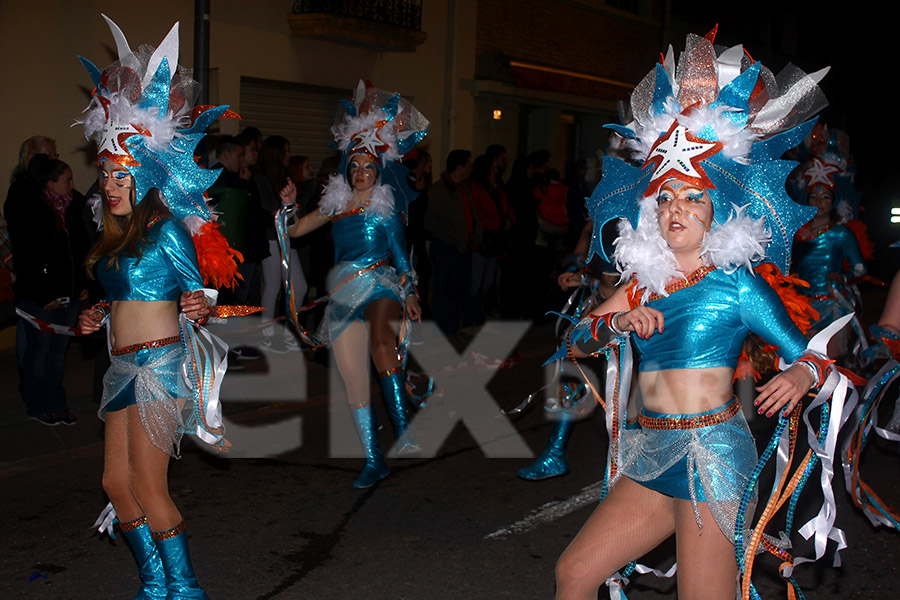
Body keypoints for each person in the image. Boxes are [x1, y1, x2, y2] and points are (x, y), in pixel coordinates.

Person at [552, 30, 844, 599]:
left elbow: (820, 356)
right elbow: (576, 344)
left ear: (719, 210)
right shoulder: (641, 284)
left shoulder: (739, 284)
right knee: (574, 574)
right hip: (650, 452)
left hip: (713, 461)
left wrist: (802, 372)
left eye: (691, 197)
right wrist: (615, 323)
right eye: (664, 198)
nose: (675, 209)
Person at [75, 16, 239, 598]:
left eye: (123, 175)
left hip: (160, 368)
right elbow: (118, 298)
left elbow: (206, 293)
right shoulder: (109, 239)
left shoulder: (166, 229)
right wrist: (94, 317)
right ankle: (155, 583)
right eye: (106, 175)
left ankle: (186, 588)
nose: (112, 185)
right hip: (119, 368)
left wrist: (201, 303)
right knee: (115, 483)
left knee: (148, 484)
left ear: (142, 174)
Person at [280, 81, 428, 487]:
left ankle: (403, 429)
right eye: (356, 167)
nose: (362, 173)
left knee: (381, 341)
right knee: (352, 377)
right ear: (347, 170)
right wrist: (290, 205)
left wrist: (410, 290)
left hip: (381, 283)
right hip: (344, 291)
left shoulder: (386, 208)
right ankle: (373, 459)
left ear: (379, 172)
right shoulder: (335, 205)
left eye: (369, 167)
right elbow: (293, 231)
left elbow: (401, 256)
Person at [5, 154, 85, 425]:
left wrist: (83, 285)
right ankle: (37, 405)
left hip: (70, 296)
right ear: (50, 184)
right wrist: (43, 295)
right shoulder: (32, 209)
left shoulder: (74, 207)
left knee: (57, 354)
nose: (72, 185)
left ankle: (57, 404)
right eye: (66, 180)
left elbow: (81, 251)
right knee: (39, 352)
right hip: (40, 298)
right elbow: (29, 256)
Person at [253, 135, 307, 352]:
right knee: (273, 286)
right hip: (271, 238)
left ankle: (289, 335)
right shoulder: (261, 179)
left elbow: (290, 212)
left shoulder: (282, 178)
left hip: (285, 237)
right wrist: (289, 210)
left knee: (299, 286)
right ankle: (266, 338)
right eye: (285, 151)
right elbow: (271, 210)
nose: (288, 155)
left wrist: (293, 210)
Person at [425, 149, 479, 336]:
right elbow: (432, 222)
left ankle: (453, 327)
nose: (471, 169)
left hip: (464, 247)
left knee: (459, 290)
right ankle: (441, 330)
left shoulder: (464, 188)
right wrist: (454, 240)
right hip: (447, 248)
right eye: (469, 164)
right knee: (444, 291)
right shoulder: (439, 191)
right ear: (460, 166)